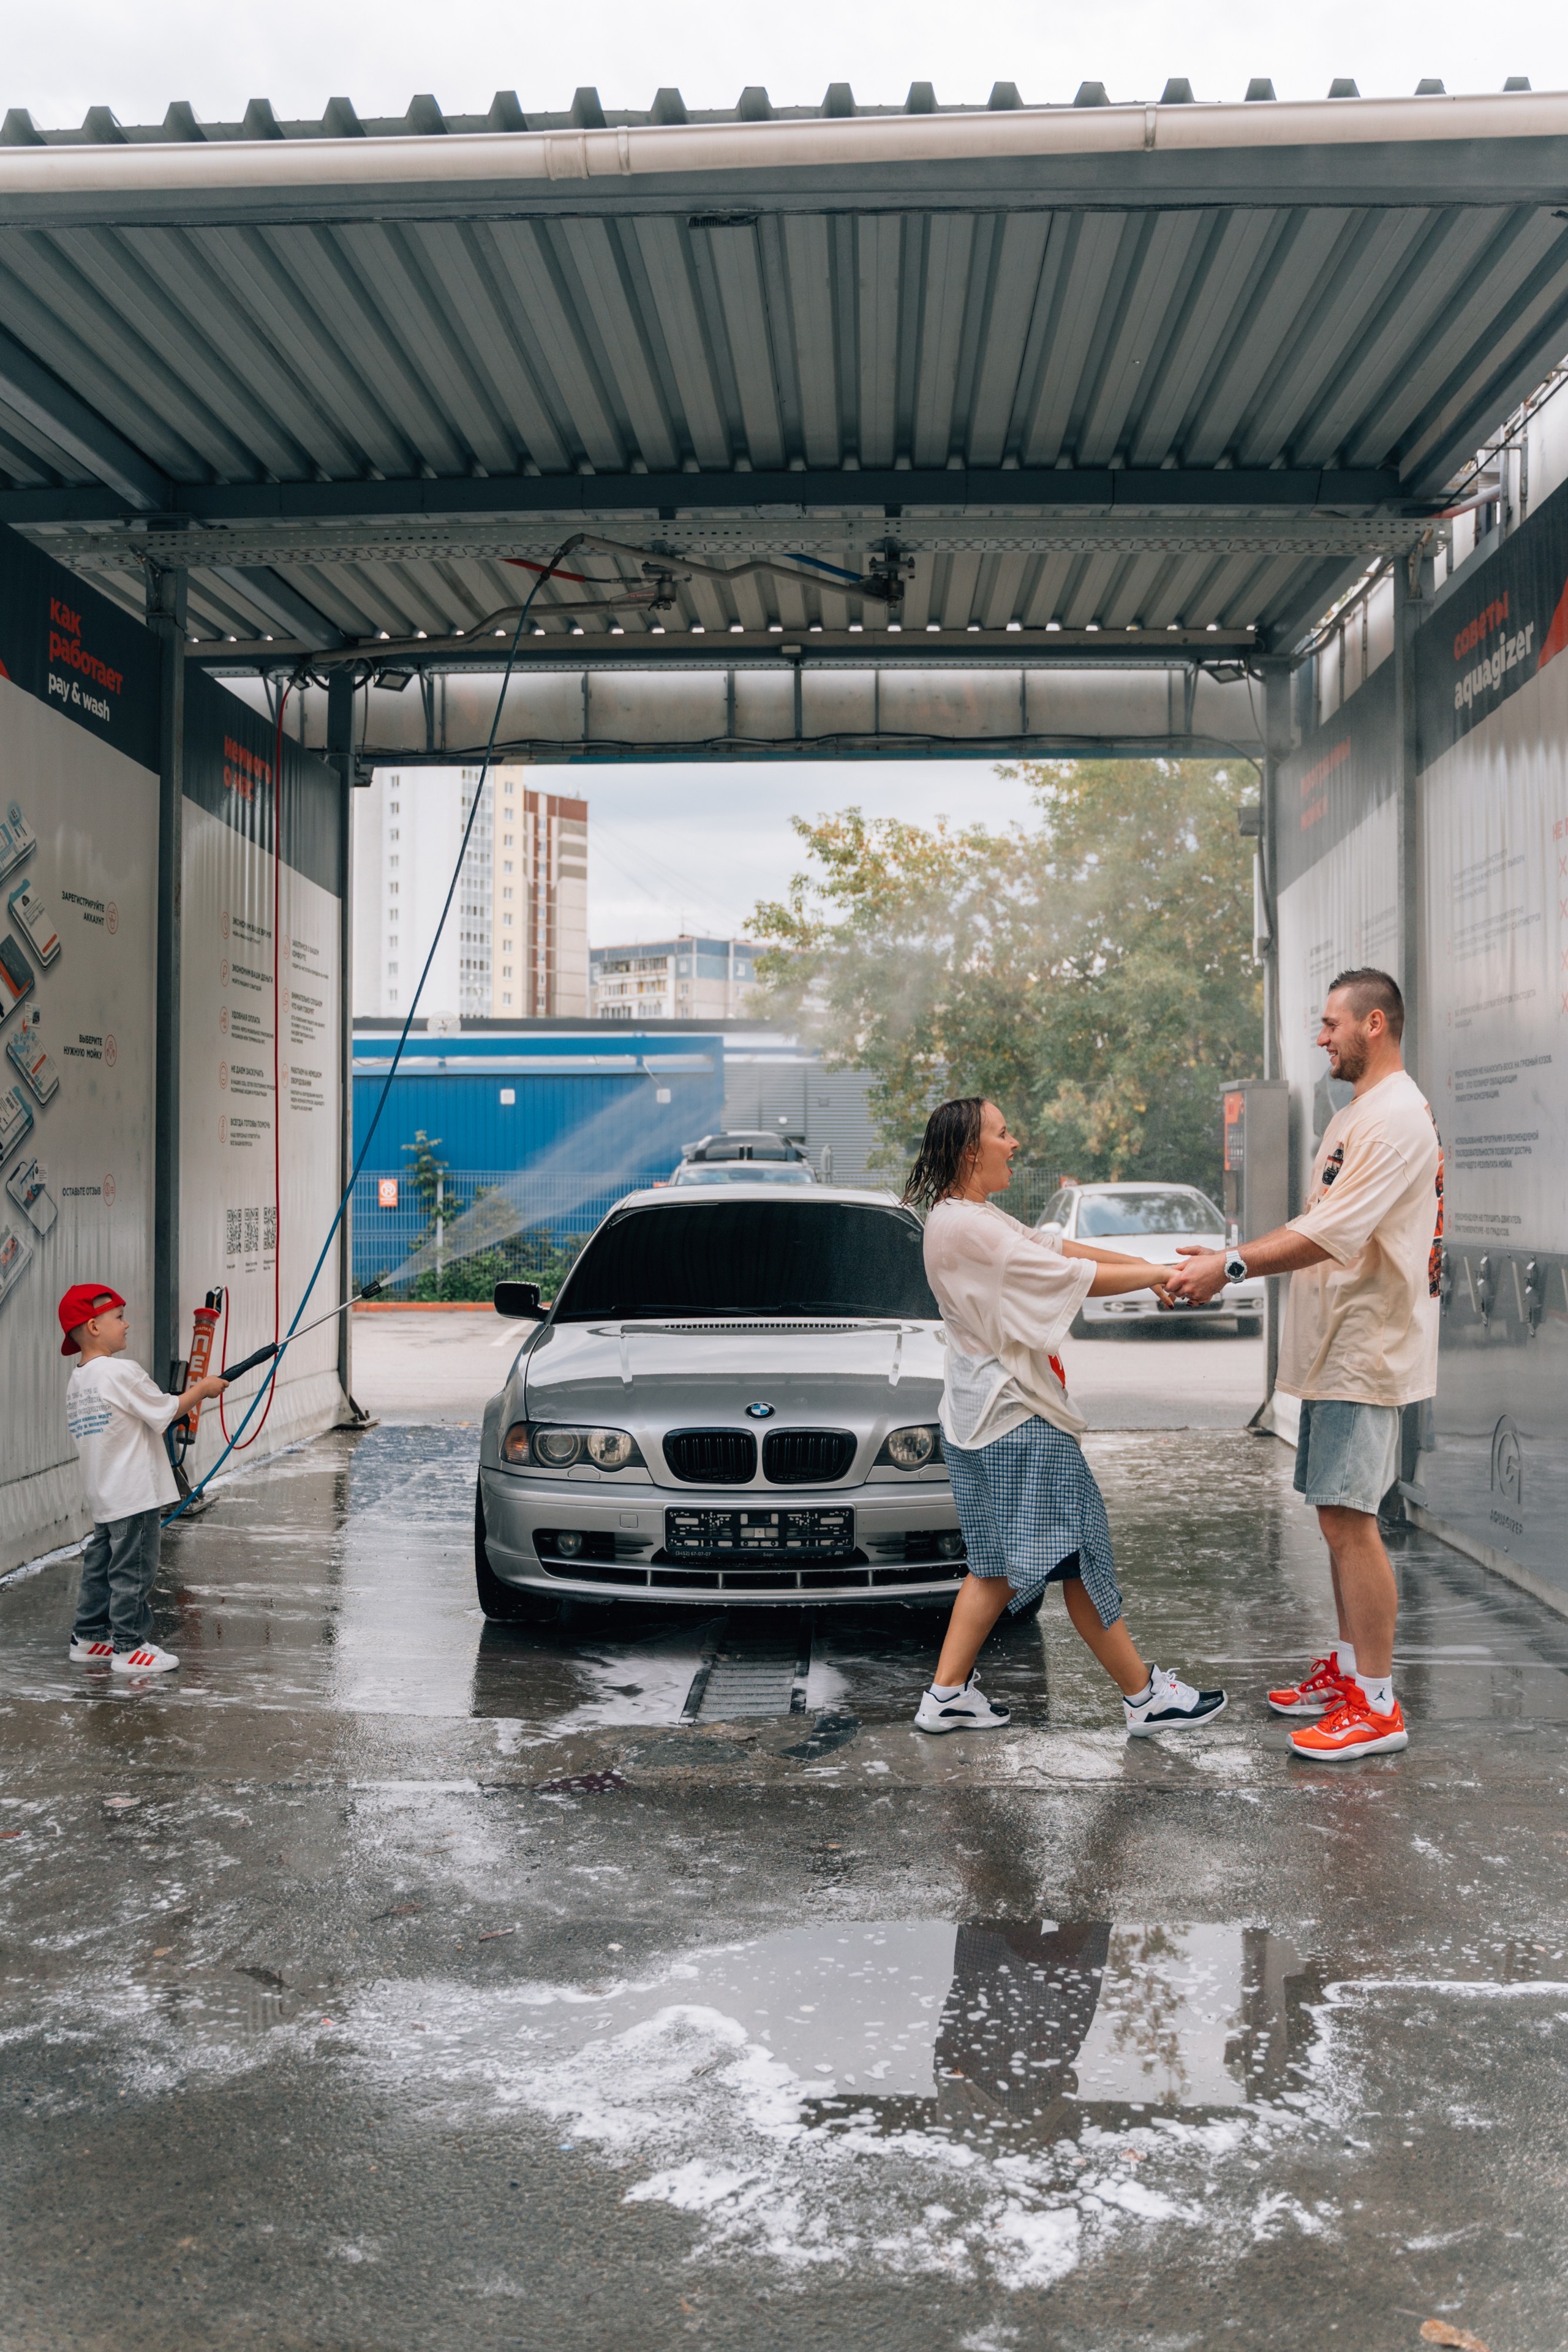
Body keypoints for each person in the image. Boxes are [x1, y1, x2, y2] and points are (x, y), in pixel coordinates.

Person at [1165, 968, 1441, 1760]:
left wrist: (1231, 1267)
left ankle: (1379, 1708)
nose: (1321, 1038)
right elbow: (1320, 1218)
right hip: (1337, 1349)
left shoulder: (1393, 1120)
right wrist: (1230, 1254)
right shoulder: (1361, 1114)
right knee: (1335, 1519)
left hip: (1366, 1350)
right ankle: (1354, 1676)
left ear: (1375, 1024)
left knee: (1353, 1522)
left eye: (1330, 1024)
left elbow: (1333, 1235)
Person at [907, 1098, 1228, 1737]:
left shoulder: (960, 1216)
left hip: (974, 1420)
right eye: (1003, 1133)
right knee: (1080, 1558)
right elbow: (1060, 1272)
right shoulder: (967, 1227)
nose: (1013, 1142)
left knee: (992, 1566)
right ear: (971, 1150)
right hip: (1016, 1419)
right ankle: (1144, 1697)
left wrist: (1148, 1269)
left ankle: (945, 1696)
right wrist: (1157, 1275)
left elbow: (1049, 1243)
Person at [59, 1283, 228, 1676]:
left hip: (106, 1495)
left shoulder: (79, 1380)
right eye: (119, 1317)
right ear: (94, 1326)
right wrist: (202, 1389)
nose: (127, 1323)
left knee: (102, 1567)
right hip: (135, 1495)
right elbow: (166, 1411)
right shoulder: (122, 1372)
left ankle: (89, 1637)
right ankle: (130, 1647)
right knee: (133, 1571)